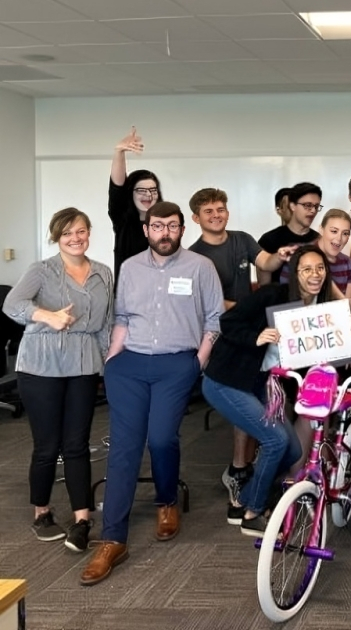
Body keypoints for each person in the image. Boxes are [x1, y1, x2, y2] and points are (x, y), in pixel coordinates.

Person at [80, 201, 223, 586]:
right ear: (147, 230)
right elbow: (122, 316)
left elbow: (213, 318)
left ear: (181, 229)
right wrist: (112, 358)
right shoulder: (130, 267)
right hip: (129, 364)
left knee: (161, 438)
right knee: (124, 447)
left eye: (172, 226)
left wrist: (199, 360)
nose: (165, 233)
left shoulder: (200, 267)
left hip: (177, 363)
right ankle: (113, 539)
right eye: (157, 226)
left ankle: (166, 501)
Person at [201, 247, 337, 536]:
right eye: (307, 269)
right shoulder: (273, 295)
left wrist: (346, 341)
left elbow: (315, 355)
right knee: (275, 441)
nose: (315, 275)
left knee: (291, 448)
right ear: (294, 272)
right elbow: (228, 322)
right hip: (226, 379)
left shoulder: (319, 309)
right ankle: (253, 512)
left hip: (259, 383)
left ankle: (245, 498)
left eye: (320, 269)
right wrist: (257, 337)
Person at [3, 208, 113, 552]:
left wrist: (108, 363)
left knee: (77, 444)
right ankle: (42, 512)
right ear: (57, 237)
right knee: (48, 445)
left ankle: (82, 518)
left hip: (82, 362)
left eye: (80, 231)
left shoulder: (104, 273)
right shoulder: (42, 270)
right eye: (67, 233)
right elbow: (11, 303)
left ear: (88, 232)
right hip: (41, 364)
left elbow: (106, 323)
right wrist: (45, 315)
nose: (75, 238)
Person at [187, 187, 292, 525]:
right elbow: (212, 309)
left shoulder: (243, 239)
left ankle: (248, 468)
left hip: (253, 336)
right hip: (224, 337)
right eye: (209, 211)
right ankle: (240, 471)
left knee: (256, 408)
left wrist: (282, 256)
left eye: (221, 209)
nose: (217, 215)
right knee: (241, 407)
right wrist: (250, 309)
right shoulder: (195, 257)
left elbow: (267, 262)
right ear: (196, 218)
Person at [108, 127, 163, 284]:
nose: (148, 195)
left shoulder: (164, 224)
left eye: (153, 190)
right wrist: (119, 153)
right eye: (141, 190)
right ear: (130, 193)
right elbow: (117, 188)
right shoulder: (123, 221)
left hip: (160, 298)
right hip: (128, 299)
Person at [281, 209, 351, 299]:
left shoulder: (348, 264)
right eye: (334, 231)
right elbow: (284, 296)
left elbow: (347, 307)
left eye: (345, 233)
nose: (339, 238)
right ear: (321, 230)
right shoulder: (298, 253)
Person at [257, 183, 323, 285]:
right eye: (308, 205)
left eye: (316, 206)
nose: (313, 211)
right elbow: (263, 287)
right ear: (292, 206)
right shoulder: (269, 240)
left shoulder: (319, 240)